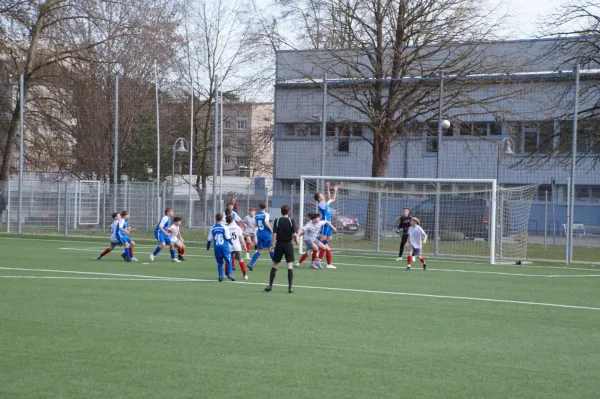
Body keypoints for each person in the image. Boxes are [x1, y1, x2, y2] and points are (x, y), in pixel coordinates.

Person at [265, 205, 299, 293]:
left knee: (275, 264)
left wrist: (272, 244)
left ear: (281, 211)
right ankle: (290, 287)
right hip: (288, 244)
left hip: (279, 244)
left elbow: (274, 234)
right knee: (289, 265)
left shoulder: (277, 221)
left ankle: (270, 285)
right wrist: (297, 241)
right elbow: (295, 234)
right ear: (288, 212)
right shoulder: (291, 221)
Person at [314, 182, 341, 268]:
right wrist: (328, 188)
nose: (322, 195)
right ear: (319, 198)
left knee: (329, 239)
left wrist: (335, 190)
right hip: (325, 224)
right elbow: (328, 197)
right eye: (321, 194)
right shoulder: (321, 203)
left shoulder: (325, 204)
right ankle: (316, 256)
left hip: (329, 224)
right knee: (323, 241)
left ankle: (318, 254)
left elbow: (332, 199)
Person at [206, 213, 235, 282]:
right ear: (222, 219)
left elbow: (209, 240)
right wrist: (232, 244)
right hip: (224, 247)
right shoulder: (224, 227)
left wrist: (208, 247)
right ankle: (230, 274)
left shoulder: (213, 227)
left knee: (219, 263)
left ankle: (220, 276)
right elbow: (228, 238)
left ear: (216, 219)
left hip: (217, 247)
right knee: (229, 260)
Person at [248, 202, 274, 270]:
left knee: (259, 250)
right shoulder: (266, 214)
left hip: (259, 234)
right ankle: (275, 263)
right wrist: (271, 230)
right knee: (270, 249)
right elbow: (266, 223)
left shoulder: (256, 216)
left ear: (259, 207)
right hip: (266, 234)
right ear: (265, 207)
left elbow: (256, 225)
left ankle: (251, 263)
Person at [226, 214, 249, 280]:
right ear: (233, 220)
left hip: (229, 246)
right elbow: (241, 238)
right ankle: (245, 275)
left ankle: (226, 274)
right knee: (240, 260)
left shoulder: (227, 228)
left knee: (228, 260)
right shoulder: (237, 227)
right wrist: (244, 246)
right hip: (237, 246)